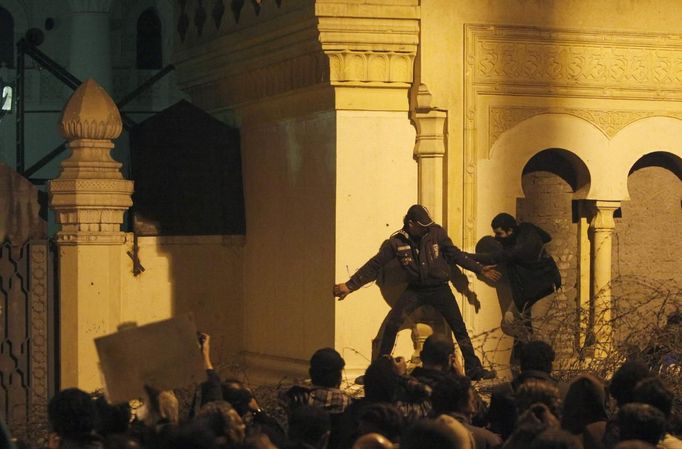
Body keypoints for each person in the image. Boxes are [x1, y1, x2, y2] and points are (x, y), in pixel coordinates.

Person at [333, 204, 500, 380]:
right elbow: (375, 264)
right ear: (411, 223)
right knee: (392, 325)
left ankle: (474, 369)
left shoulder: (437, 233)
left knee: (459, 327)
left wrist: (479, 269)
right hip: (416, 290)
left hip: (440, 288)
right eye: (422, 226)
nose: (427, 229)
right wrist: (350, 286)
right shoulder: (396, 242)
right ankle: (379, 372)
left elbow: (455, 255)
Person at [467, 213, 561, 365]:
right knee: (509, 322)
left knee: (538, 327)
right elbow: (547, 237)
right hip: (527, 291)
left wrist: (465, 256)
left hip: (544, 288)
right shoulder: (526, 231)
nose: (497, 237)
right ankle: (532, 347)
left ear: (510, 231)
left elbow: (494, 257)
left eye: (499, 234)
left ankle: (545, 363)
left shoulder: (518, 249)